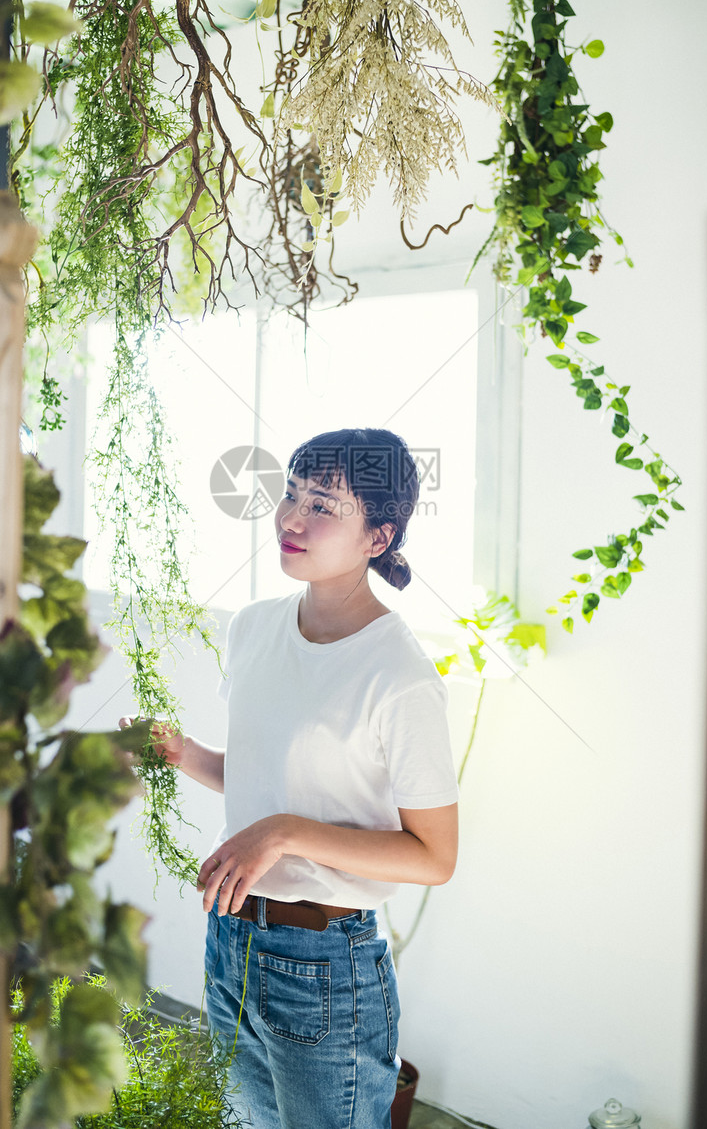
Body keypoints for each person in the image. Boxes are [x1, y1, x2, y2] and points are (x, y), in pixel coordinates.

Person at [122, 427, 459, 1129]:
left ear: (378, 537)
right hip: (230, 941)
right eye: (290, 495)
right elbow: (260, 778)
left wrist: (282, 834)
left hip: (326, 970)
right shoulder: (252, 627)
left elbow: (434, 856)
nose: (290, 519)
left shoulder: (399, 677)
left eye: (323, 507)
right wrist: (182, 752)